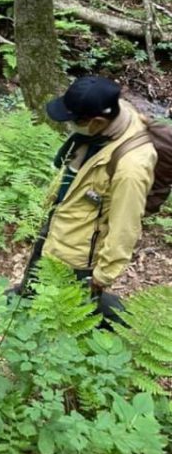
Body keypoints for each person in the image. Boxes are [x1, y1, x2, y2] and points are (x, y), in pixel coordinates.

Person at [13, 75, 157, 324]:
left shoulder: (131, 168)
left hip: (79, 251)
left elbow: (126, 227)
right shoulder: (114, 117)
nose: (69, 125)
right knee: (37, 274)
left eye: (73, 120)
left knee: (71, 311)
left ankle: (125, 323)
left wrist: (104, 274)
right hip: (62, 218)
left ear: (98, 121)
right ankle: (24, 302)